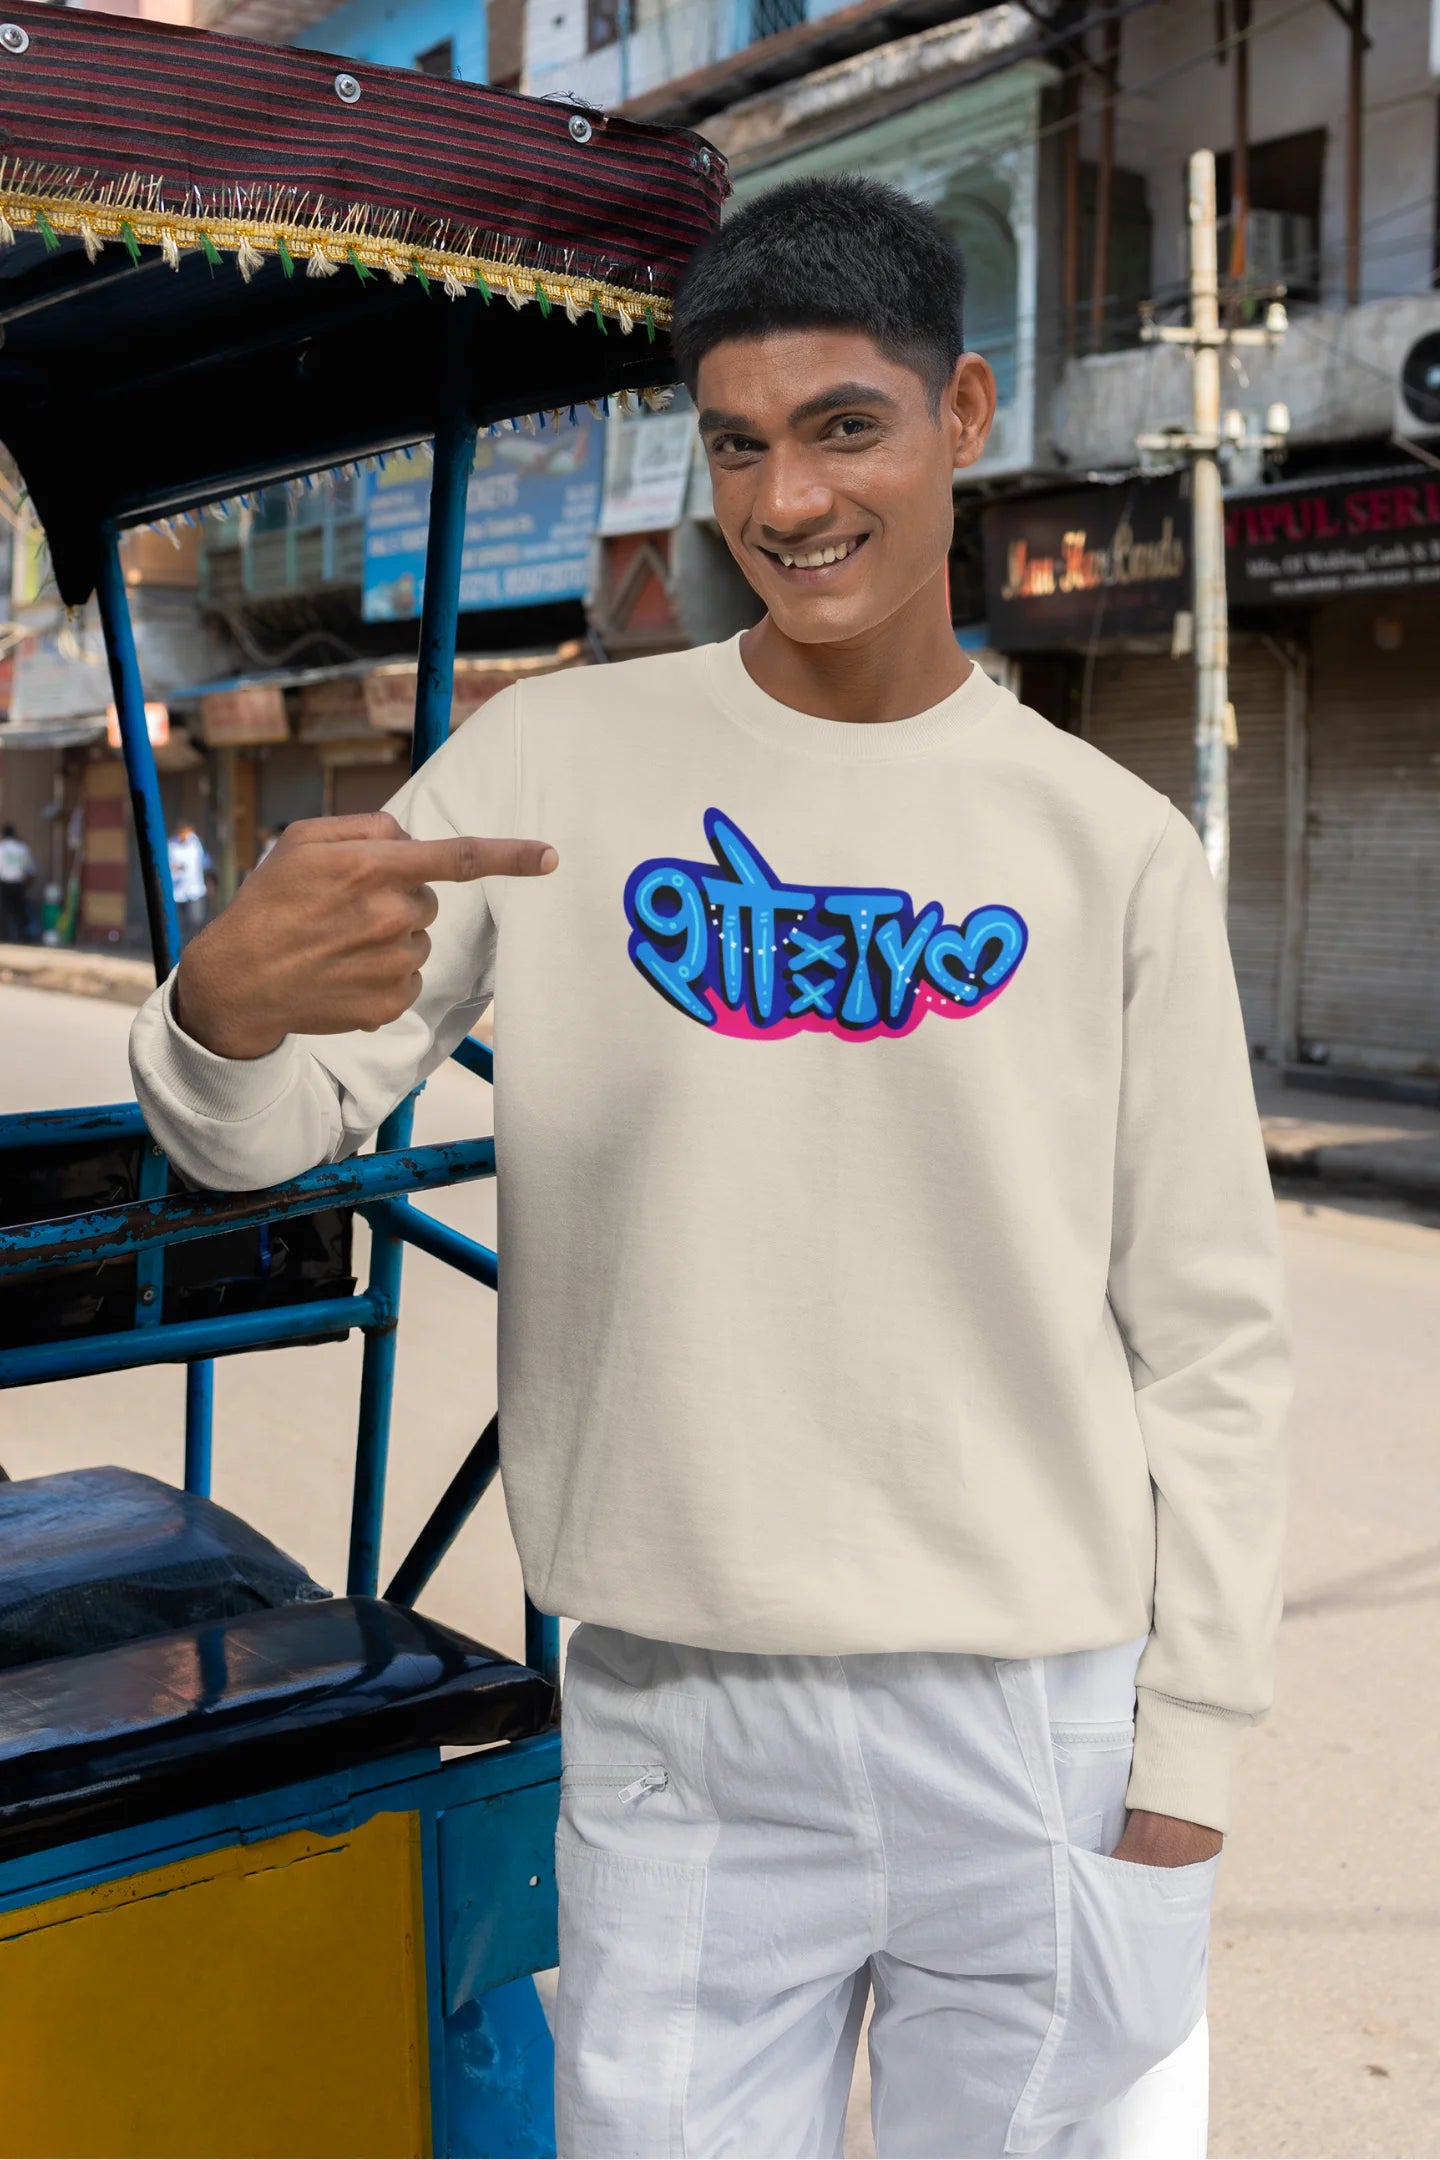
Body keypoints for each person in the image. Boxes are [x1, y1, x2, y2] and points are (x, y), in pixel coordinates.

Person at [129, 176, 1290, 2159]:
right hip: (680, 1708)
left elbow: (1210, 1331)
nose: (789, 499)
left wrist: (1186, 1757)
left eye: (846, 425)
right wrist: (218, 1011)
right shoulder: (550, 771)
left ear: (963, 415)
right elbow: (279, 1129)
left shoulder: (1108, 847)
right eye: (740, 443)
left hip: (1036, 1714)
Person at [167, 821, 211, 943]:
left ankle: (191, 944)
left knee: (196, 920)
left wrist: (210, 882)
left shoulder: (196, 843)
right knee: (179, 922)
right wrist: (175, 868)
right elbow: (166, 866)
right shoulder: (171, 845)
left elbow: (205, 862)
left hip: (195, 889)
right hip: (177, 892)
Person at [0, 823, 36, 944]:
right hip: (19, 883)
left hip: (4, 883)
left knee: (4, 910)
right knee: (19, 910)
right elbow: (30, 869)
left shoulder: (2, 848)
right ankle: (22, 936)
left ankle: (4, 936)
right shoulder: (22, 848)